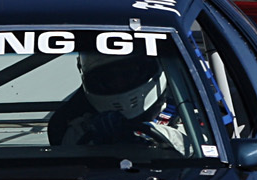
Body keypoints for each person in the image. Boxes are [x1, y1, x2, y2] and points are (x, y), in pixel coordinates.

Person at [49, 51, 183, 148]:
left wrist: (152, 134)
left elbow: (198, 148)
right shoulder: (79, 125)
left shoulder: (186, 107)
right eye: (109, 78)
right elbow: (68, 159)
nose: (119, 83)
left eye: (128, 74)